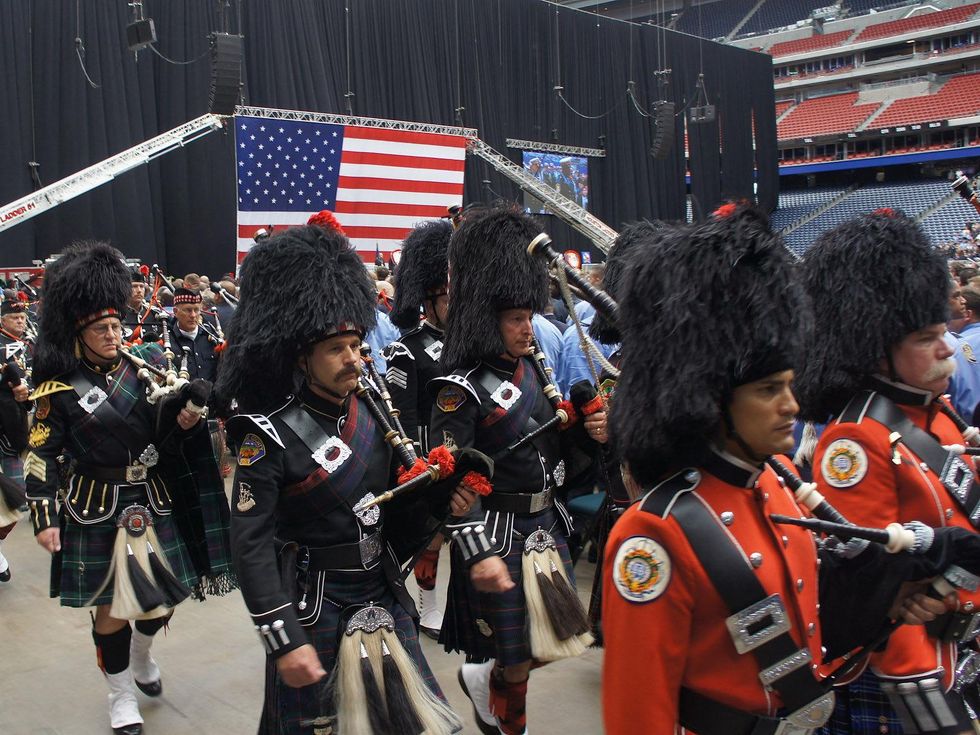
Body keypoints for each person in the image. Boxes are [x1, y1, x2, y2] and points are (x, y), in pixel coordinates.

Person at [602, 204, 966, 735]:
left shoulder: (774, 484)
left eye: (790, 385)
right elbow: (638, 713)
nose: (791, 405)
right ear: (710, 399)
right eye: (769, 390)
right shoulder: (652, 535)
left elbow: (807, 627)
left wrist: (887, 598)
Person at [217, 224, 468, 735]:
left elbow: (396, 512)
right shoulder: (265, 436)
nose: (354, 358)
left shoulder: (373, 412)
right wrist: (281, 636)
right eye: (336, 348)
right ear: (301, 357)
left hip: (383, 591)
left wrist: (443, 496)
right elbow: (251, 545)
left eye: (355, 344)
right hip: (314, 605)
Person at [24, 241, 234, 735]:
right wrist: (44, 517)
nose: (113, 335)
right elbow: (40, 455)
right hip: (95, 506)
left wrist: (188, 412)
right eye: (102, 329)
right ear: (78, 334)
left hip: (151, 499)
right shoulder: (59, 390)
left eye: (117, 326)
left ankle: (141, 655)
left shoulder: (145, 370)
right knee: (112, 610)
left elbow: (165, 435)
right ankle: (120, 695)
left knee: (161, 600)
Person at [795, 210, 980, 734]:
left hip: (959, 646)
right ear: (876, 350)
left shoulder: (938, 415)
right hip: (903, 675)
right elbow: (871, 584)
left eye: (943, 333)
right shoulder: (853, 441)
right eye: (926, 338)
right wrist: (930, 706)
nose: (947, 349)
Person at [430, 206, 601, 735]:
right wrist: (476, 550)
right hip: (498, 530)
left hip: (546, 526)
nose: (529, 329)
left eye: (529, 316)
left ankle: (483, 679)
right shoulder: (459, 390)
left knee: (557, 642)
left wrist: (588, 432)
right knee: (519, 658)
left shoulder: (534, 370)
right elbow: (453, 480)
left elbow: (557, 452)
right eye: (516, 320)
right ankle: (510, 722)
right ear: (490, 321)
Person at [381, 219, 454, 639]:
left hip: (462, 449)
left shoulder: (468, 342)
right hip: (426, 455)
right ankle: (428, 604)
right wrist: (414, 463)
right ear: (428, 302)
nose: (454, 303)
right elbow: (402, 416)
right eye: (446, 297)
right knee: (431, 537)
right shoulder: (404, 350)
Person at [0, 290, 32, 583]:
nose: (21, 322)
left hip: (17, 423)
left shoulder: (30, 344)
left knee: (13, 496)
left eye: (23, 317)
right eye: (15, 317)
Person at [168, 288, 221, 383]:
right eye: (188, 310)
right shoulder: (167, 341)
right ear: (175, 312)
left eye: (196, 310)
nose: (193, 315)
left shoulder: (211, 336)